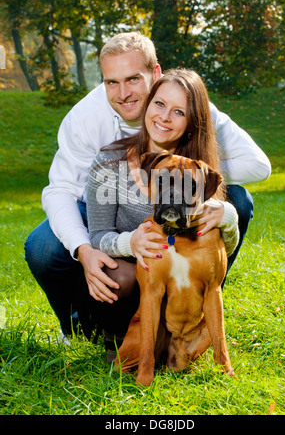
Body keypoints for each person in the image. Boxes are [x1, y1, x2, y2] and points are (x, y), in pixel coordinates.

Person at [24, 31, 271, 344]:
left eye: (133, 79)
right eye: (111, 82)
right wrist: (85, 250)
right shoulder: (86, 119)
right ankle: (81, 329)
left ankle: (193, 301)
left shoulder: (187, 103)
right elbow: (60, 190)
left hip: (174, 209)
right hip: (103, 205)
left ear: (156, 74)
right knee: (43, 247)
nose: (123, 93)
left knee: (237, 200)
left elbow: (259, 165)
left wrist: (194, 182)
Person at [84, 68, 241, 357]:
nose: (165, 117)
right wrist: (128, 242)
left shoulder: (198, 168)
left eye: (179, 111)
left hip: (183, 272)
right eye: (159, 104)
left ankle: (193, 309)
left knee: (238, 200)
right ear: (148, 103)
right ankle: (111, 335)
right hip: (135, 270)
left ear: (193, 121)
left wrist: (228, 216)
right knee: (120, 276)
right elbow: (97, 234)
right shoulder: (110, 162)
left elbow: (220, 248)